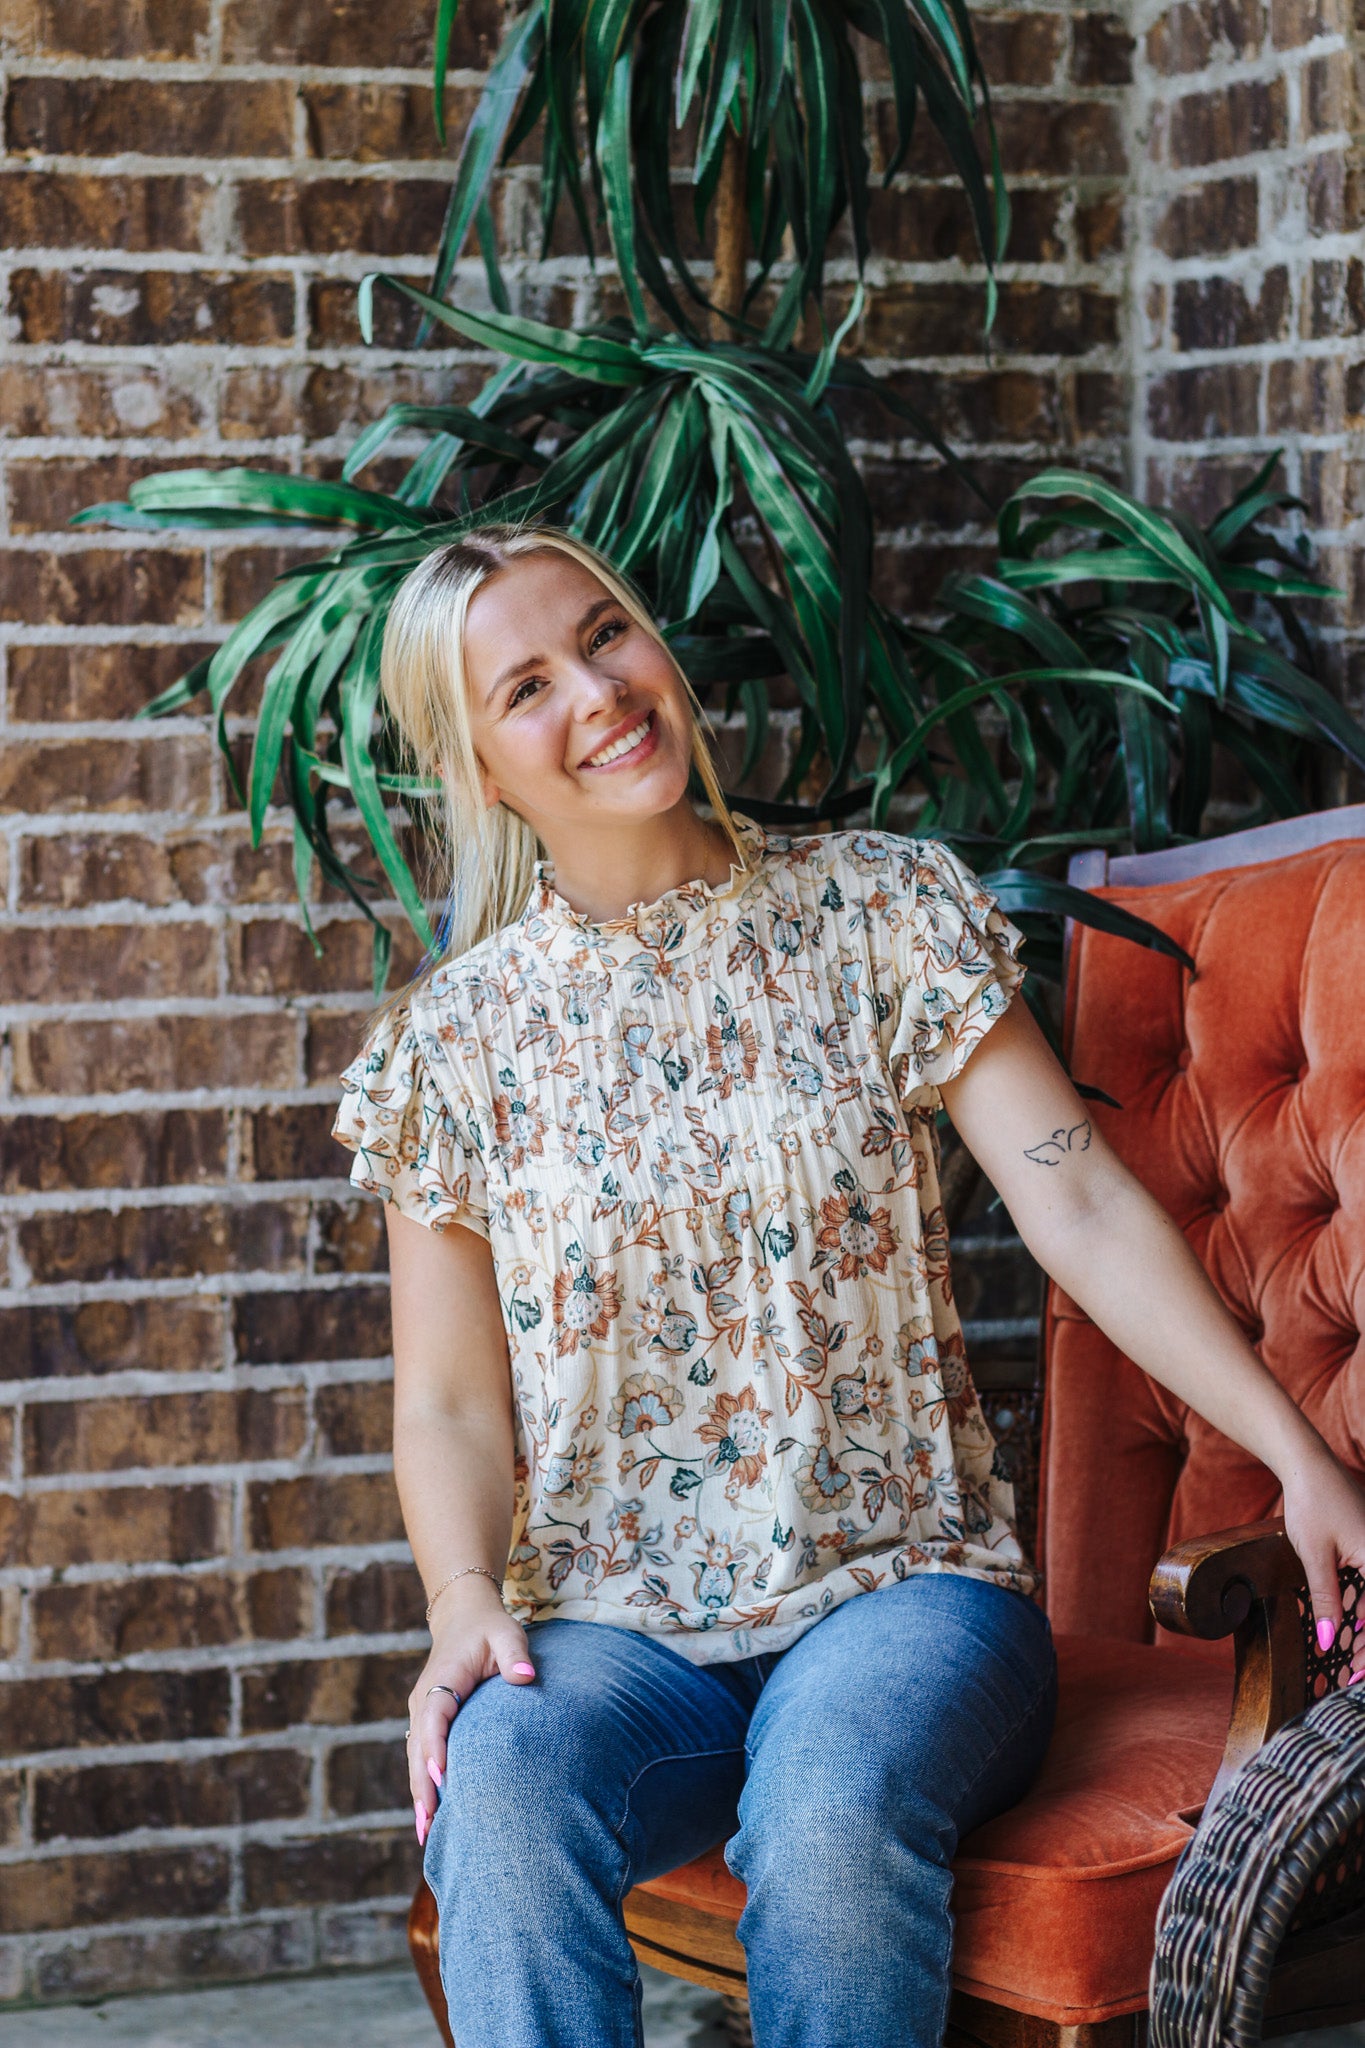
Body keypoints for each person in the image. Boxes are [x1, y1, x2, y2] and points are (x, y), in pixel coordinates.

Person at [332, 525, 1365, 2048]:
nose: (598, 693)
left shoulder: (882, 909)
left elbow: (1078, 1201)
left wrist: (1295, 1456)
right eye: (526, 686)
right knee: (499, 1793)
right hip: (613, 1629)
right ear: (477, 768)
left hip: (904, 1595)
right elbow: (444, 1401)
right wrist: (463, 1604)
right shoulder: (454, 1049)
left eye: (605, 635)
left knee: (826, 1810)